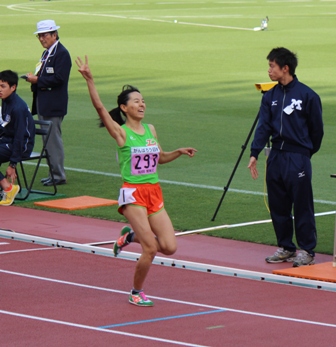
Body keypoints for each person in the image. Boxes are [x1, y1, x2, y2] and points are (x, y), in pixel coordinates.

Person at [76, 55, 197, 307]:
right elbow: (99, 108)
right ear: (124, 108)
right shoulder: (121, 133)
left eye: (143, 101)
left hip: (154, 192)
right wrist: (90, 80)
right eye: (136, 101)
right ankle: (135, 291)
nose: (142, 104)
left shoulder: (151, 130)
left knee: (169, 246)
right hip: (133, 194)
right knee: (151, 249)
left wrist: (179, 151)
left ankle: (129, 237)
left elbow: (160, 157)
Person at [248, 47, 324, 267]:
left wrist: (305, 152)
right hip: (276, 155)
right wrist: (254, 153)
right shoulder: (270, 96)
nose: (269, 70)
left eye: (272, 66)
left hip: (298, 156)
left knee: (302, 205)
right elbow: (263, 127)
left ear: (285, 68)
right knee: (278, 204)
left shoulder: (307, 95)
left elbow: (317, 130)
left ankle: (307, 250)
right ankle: (286, 247)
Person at [25, 19, 71, 186]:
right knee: (48, 141)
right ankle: (54, 173)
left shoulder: (61, 53)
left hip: (53, 104)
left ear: (54, 34)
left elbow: (59, 78)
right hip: (44, 103)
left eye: (44, 35)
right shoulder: (48, 53)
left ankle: (58, 175)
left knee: (53, 141)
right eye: (39, 36)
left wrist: (37, 80)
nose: (42, 39)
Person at [0, 70, 35, 206]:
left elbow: (20, 136)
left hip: (21, 146)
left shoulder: (18, 107)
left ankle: (9, 188)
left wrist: (13, 164)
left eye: (3, 86)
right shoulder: (6, 101)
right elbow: (5, 126)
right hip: (9, 141)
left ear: (13, 87)